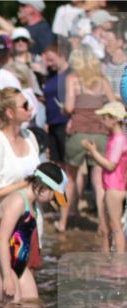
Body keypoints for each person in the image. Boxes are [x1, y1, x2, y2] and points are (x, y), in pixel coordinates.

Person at [0, 88, 40, 284]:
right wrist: (26, 185)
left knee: (28, 278)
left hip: (28, 219)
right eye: (25, 105)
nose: (30, 108)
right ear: (10, 113)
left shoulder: (30, 137)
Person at [0, 162, 67, 303]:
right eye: (53, 197)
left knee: (33, 304)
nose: (51, 201)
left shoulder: (32, 204)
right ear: (44, 188)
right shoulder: (18, 201)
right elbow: (2, 239)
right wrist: (7, 276)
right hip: (1, 263)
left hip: (19, 266)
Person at [66, 47, 116, 236]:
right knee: (99, 181)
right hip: (100, 133)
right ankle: (103, 224)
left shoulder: (73, 79)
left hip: (78, 132)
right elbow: (113, 104)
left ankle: (64, 221)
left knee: (70, 179)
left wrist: (65, 109)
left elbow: (70, 106)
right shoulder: (102, 80)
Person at [82, 101, 127, 252]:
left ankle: (119, 262)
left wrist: (93, 152)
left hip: (115, 188)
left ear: (114, 119)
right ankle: (108, 258)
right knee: (107, 226)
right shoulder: (116, 138)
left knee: (115, 226)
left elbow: (110, 165)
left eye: (105, 117)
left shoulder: (119, 139)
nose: (102, 121)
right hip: (114, 185)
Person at [43, 44, 74, 230]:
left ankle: (67, 213)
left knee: (67, 173)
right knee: (57, 170)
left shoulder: (70, 74)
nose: (48, 62)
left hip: (65, 124)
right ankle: (63, 209)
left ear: (61, 54)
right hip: (53, 124)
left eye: (50, 57)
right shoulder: (52, 75)